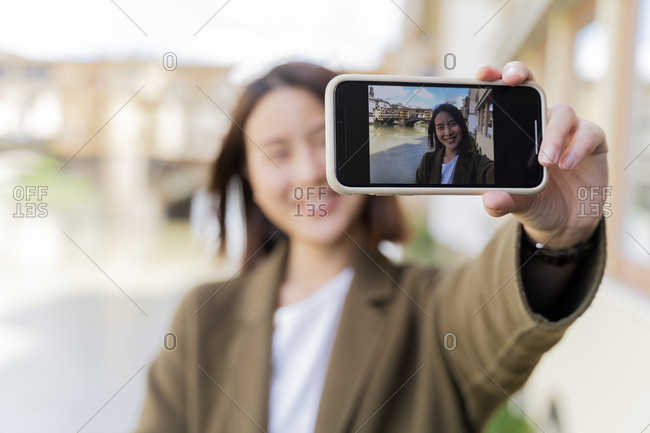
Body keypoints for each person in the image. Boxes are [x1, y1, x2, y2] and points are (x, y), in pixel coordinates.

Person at [135, 61, 608, 433]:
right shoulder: (203, 318)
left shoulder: (429, 310)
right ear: (247, 180)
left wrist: (559, 236)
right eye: (277, 152)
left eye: (326, 141)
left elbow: (496, 313)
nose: (308, 172)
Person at [415, 103, 495, 185]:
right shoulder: (427, 160)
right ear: (435, 131)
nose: (448, 132)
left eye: (452, 124)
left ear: (461, 125)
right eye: (440, 127)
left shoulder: (477, 163)